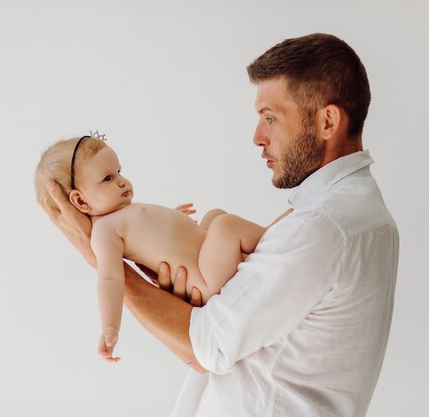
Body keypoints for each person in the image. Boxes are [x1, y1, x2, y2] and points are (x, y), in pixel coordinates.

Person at [42, 33, 399, 417]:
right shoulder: (347, 212)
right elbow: (210, 354)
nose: (257, 137)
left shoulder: (322, 227)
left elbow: (207, 348)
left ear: (327, 121)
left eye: (270, 118)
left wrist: (106, 263)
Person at [35, 134, 267, 361]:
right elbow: (110, 280)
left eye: (119, 172)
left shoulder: (121, 214)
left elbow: (158, 237)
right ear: (81, 201)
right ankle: (275, 239)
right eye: (107, 178)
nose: (121, 181)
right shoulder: (104, 232)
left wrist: (174, 220)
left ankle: (249, 252)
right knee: (225, 226)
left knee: (214, 215)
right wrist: (110, 327)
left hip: (204, 261)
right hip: (204, 277)